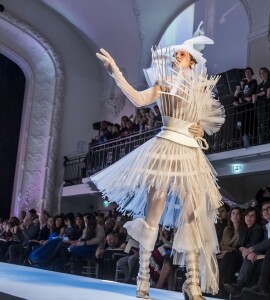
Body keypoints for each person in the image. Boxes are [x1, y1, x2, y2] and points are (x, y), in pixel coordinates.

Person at [91, 35, 225, 299]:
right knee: (154, 214)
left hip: (190, 152)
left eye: (183, 55)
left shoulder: (200, 90)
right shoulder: (164, 83)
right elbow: (140, 100)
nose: (177, 57)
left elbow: (202, 124)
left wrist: (199, 130)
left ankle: (192, 282)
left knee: (192, 215)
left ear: (192, 61)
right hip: (165, 147)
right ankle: (142, 279)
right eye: (176, 54)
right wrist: (116, 73)